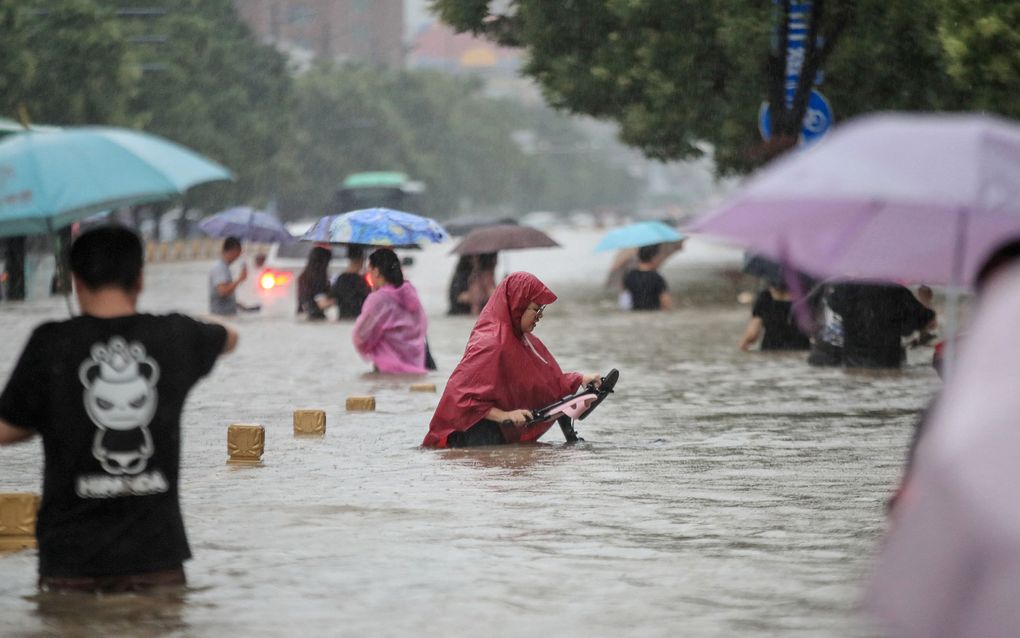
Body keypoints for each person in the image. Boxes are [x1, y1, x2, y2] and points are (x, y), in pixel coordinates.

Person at [0, 225, 237, 593]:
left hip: (70, 565)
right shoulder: (174, 336)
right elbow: (230, 337)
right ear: (140, 278)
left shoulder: (50, 342)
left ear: (74, 280)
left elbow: (6, 430)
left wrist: (50, 413)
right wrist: (194, 321)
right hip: (156, 563)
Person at [422, 271, 602, 448]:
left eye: (541, 309)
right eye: (536, 309)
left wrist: (580, 379)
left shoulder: (522, 340)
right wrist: (504, 416)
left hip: (497, 436)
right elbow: (461, 398)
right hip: (471, 436)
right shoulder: (490, 342)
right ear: (518, 305)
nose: (540, 316)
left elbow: (542, 382)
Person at [352, 248, 428, 373]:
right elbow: (422, 327)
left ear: (376, 271)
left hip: (387, 371)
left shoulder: (378, 299)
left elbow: (360, 336)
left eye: (369, 271)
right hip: (416, 369)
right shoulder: (411, 294)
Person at [827, 281, 936, 368]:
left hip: (852, 366)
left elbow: (831, 304)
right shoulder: (897, 292)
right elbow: (926, 320)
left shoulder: (845, 289)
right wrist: (926, 300)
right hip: (886, 365)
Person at [738, 280, 811, 351]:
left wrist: (742, 347)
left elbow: (752, 334)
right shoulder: (806, 296)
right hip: (801, 349)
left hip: (770, 350)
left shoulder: (764, 297)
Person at [208, 236, 256, 316]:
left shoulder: (224, 267)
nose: (239, 256)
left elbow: (224, 294)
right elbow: (222, 291)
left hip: (227, 315)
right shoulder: (220, 268)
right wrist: (240, 279)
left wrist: (236, 304)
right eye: (239, 252)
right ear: (233, 250)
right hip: (222, 317)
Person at [623, 244, 672, 311]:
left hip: (635, 312)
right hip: (654, 313)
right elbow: (665, 301)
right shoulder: (657, 277)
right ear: (653, 257)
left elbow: (624, 301)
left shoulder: (630, 275)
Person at [328, 245, 371, 319]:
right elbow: (368, 298)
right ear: (361, 260)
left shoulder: (340, 278)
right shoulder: (360, 280)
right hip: (358, 318)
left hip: (343, 317)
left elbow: (333, 296)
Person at [296, 245, 332, 320]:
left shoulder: (303, 277)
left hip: (304, 317)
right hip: (317, 318)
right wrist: (338, 299)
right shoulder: (318, 279)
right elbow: (322, 304)